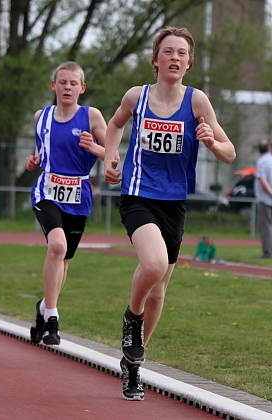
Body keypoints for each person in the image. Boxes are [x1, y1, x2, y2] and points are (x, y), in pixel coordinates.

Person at [104, 26, 236, 401]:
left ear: (189, 63)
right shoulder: (137, 97)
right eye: (168, 51)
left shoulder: (197, 102)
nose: (175, 57)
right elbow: (114, 126)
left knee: (160, 292)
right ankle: (132, 318)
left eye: (182, 53)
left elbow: (230, 153)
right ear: (155, 60)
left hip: (174, 203)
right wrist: (111, 156)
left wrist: (212, 141)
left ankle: (132, 368)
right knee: (154, 264)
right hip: (137, 194)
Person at [25, 61, 115, 346]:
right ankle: (52, 319)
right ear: (54, 85)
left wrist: (94, 148)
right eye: (62, 82)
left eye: (73, 83)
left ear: (82, 88)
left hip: (79, 194)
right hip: (47, 191)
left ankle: (43, 307)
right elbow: (42, 150)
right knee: (58, 246)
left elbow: (112, 157)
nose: (67, 87)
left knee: (64, 262)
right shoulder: (42, 116)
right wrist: (34, 160)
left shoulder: (92, 117)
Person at [254, 140, 272, 258]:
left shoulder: (261, 161)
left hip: (266, 199)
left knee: (265, 226)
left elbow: (263, 180)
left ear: (259, 150)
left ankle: (268, 252)